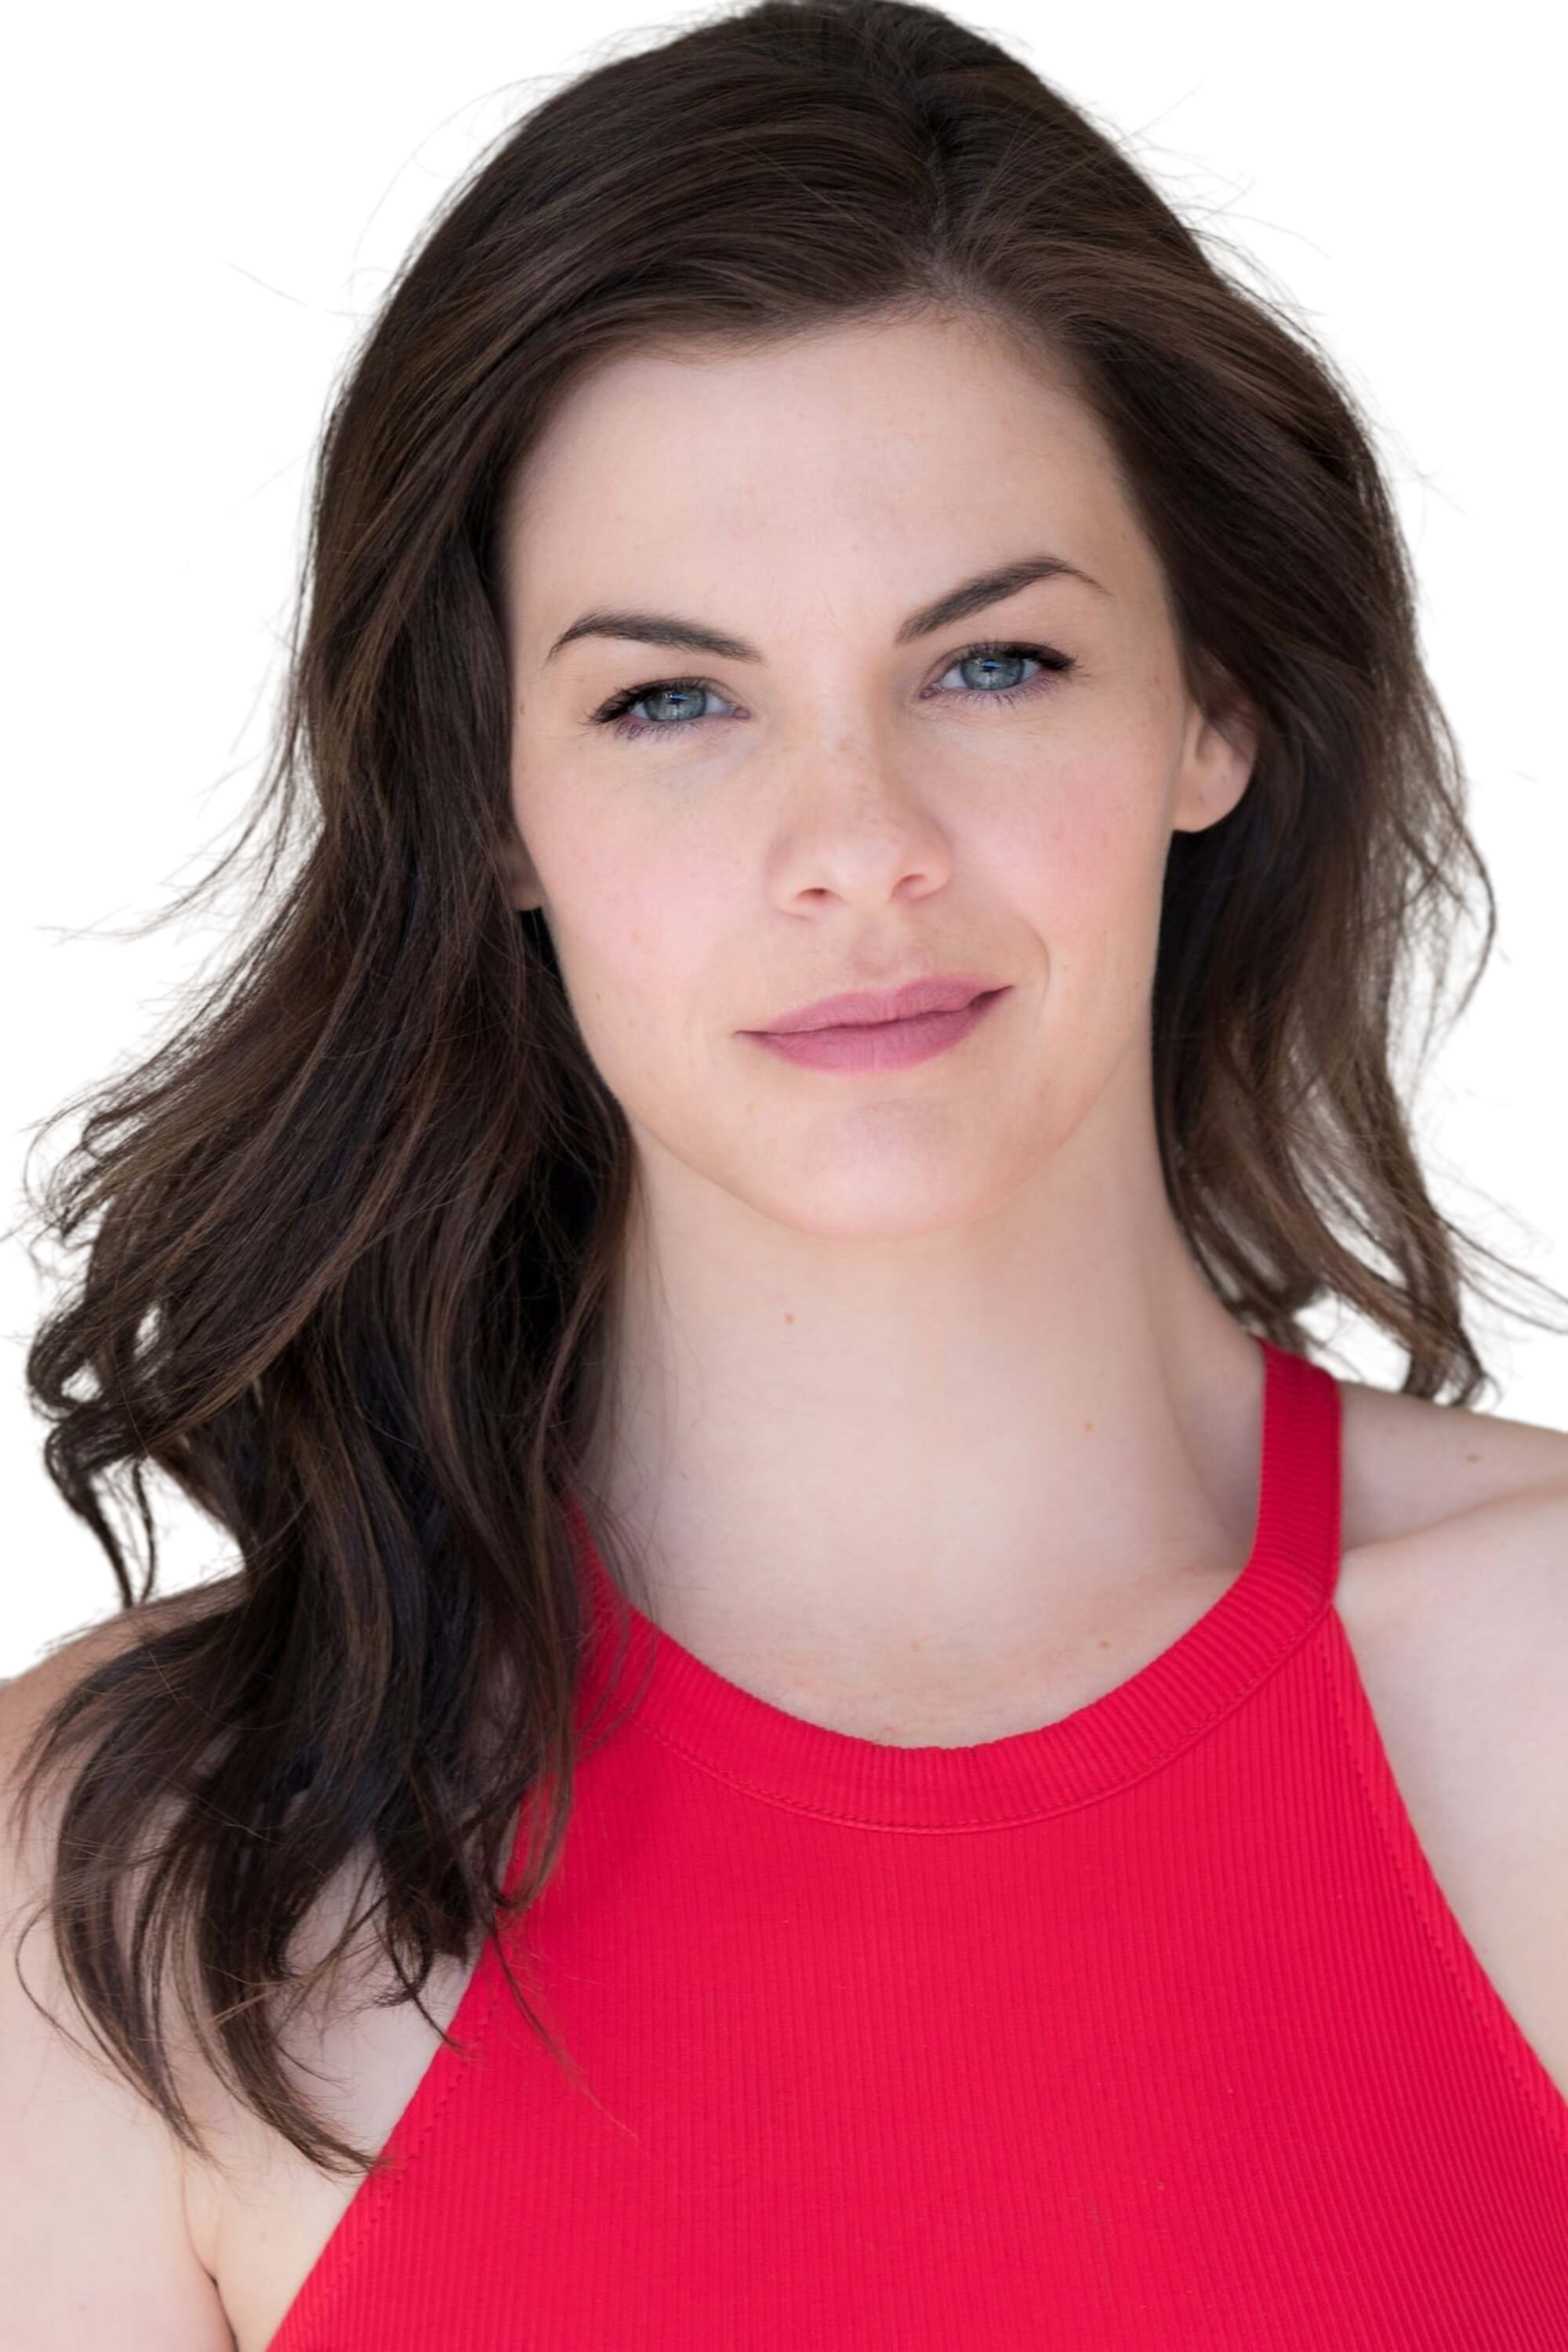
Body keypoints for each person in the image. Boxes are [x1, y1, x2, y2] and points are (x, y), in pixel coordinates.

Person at [4, 5, 1565, 2347]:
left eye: (995, 665)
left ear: (1216, 700)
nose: (857, 847)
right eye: (670, 700)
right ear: (492, 807)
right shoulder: (144, 1871)